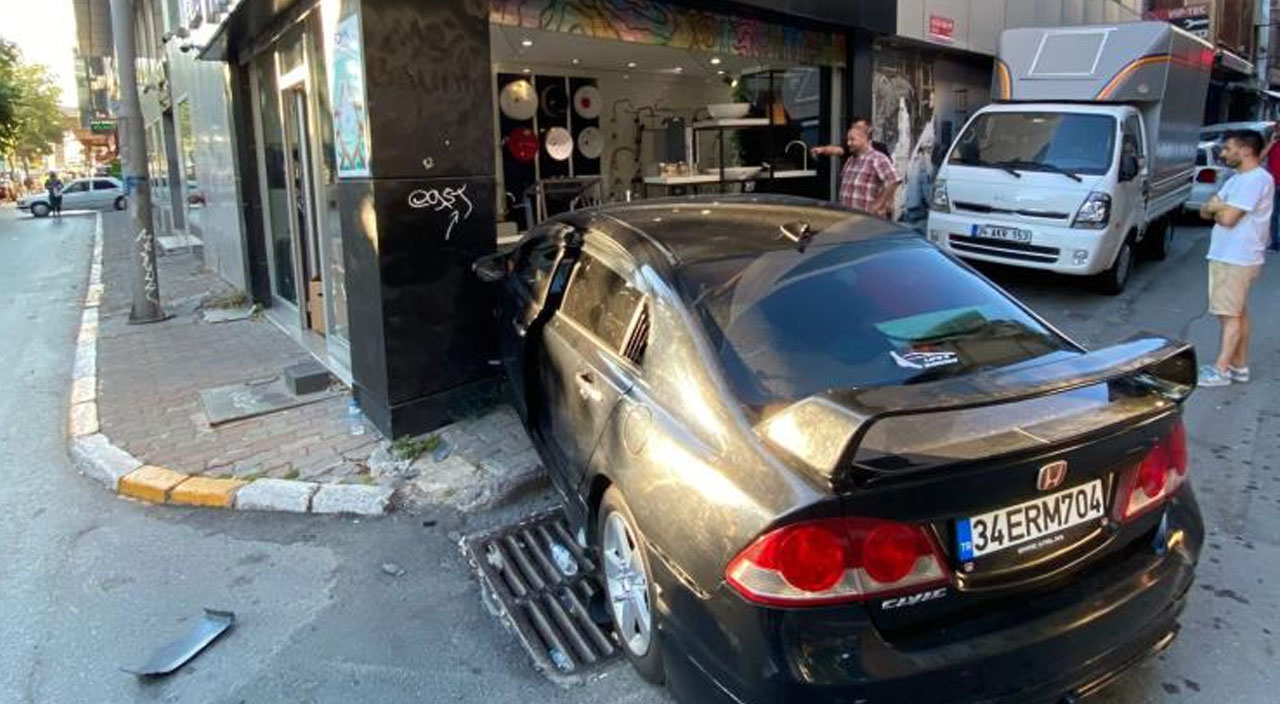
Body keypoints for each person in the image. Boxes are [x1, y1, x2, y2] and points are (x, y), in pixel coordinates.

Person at [1197, 130, 1274, 387]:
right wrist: (1217, 207)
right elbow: (1205, 212)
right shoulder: (1237, 179)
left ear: (1245, 150)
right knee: (1237, 313)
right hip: (1231, 255)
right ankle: (1239, 367)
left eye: (1228, 148)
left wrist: (1218, 207)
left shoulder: (1255, 180)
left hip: (1237, 257)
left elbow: (1228, 219)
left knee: (1228, 316)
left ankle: (1221, 370)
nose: (1223, 152)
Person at [812, 117, 901, 218]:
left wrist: (880, 204)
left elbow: (894, 180)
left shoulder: (877, 158)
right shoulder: (850, 160)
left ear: (863, 138)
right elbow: (837, 150)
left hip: (868, 219)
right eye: (848, 140)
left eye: (852, 140)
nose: (848, 143)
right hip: (849, 218)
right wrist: (822, 150)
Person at [1263, 124, 1280, 251]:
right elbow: (1261, 157)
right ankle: (1274, 242)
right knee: (1273, 214)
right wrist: (1271, 142)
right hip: (1274, 184)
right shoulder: (1272, 144)